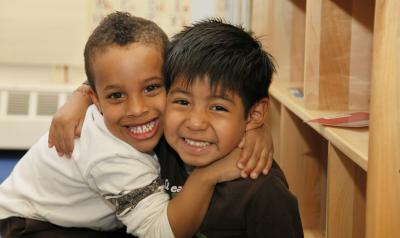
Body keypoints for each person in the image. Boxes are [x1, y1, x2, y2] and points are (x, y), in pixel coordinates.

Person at [0, 12, 247, 238]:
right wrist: (208, 175)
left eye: (151, 88)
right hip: (29, 225)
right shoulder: (110, 157)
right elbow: (160, 233)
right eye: (117, 96)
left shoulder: (119, 113)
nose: (137, 110)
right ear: (96, 100)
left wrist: (255, 131)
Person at [156, 19, 304, 237]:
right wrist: (85, 96)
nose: (195, 123)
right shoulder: (156, 151)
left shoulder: (264, 192)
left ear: (254, 114)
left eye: (218, 107)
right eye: (182, 102)